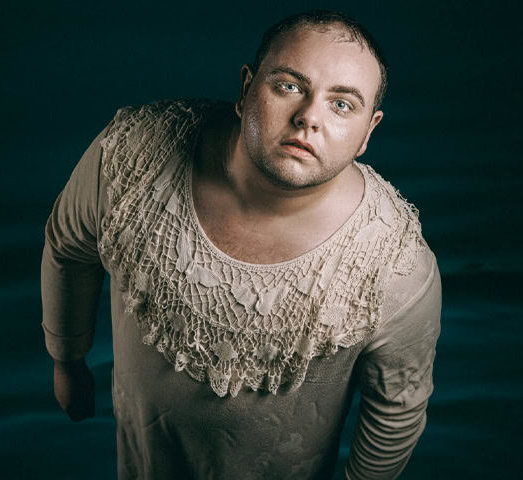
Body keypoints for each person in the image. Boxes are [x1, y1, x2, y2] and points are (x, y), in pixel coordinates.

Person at [41, 10, 442, 480]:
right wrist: (67, 360)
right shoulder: (131, 157)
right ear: (246, 88)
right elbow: (68, 248)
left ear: (367, 133)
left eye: (341, 105)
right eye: (290, 86)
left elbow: (395, 412)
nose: (308, 118)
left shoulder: (394, 264)